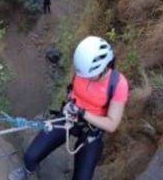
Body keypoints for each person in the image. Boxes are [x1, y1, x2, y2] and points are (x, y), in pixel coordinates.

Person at [8, 36, 129, 180]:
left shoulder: (118, 84)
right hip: (69, 116)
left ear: (104, 67)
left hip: (91, 129)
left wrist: (82, 112)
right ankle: (28, 171)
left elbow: (112, 124)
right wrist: (69, 106)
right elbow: (73, 90)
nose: (86, 78)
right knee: (30, 156)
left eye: (91, 75)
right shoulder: (82, 68)